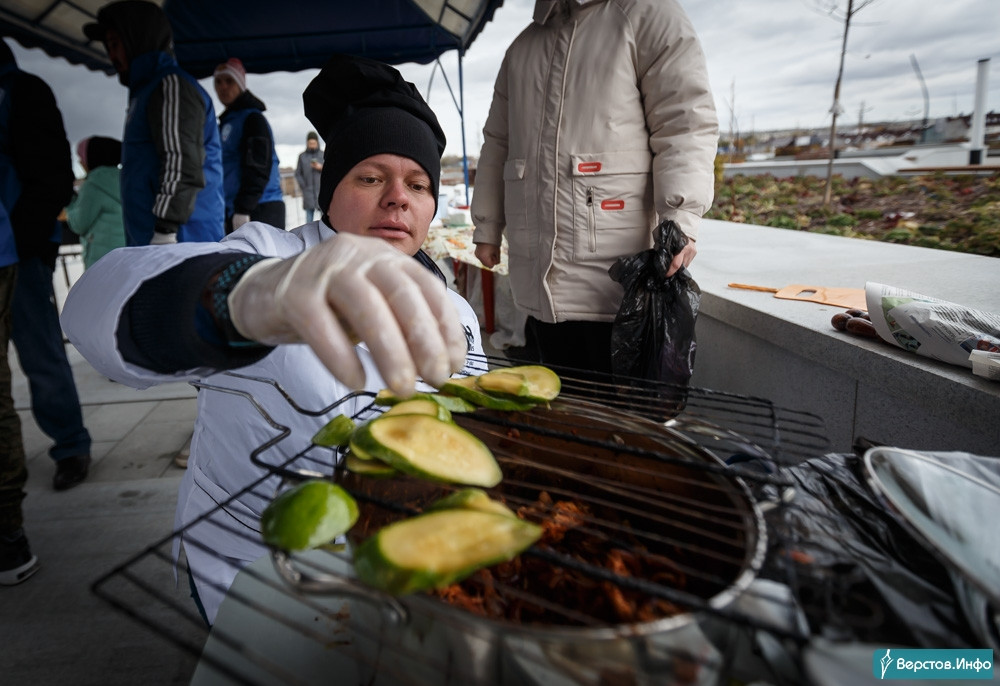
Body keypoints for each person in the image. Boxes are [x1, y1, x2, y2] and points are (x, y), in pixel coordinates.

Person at [62, 54, 481, 623]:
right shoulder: (267, 256)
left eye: (418, 184)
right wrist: (238, 298)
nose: (397, 198)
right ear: (329, 188)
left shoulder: (452, 307)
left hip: (400, 583)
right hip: (250, 573)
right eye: (370, 176)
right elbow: (92, 309)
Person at [471, 0, 718, 377]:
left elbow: (685, 123)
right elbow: (497, 143)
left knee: (624, 417)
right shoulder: (523, 46)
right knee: (565, 405)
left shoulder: (647, 14)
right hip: (537, 276)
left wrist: (680, 216)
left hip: (617, 275)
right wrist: (488, 225)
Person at [0, 39, 93, 497]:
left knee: (39, 353)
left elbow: (52, 175)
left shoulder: (22, 91)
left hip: (15, 251)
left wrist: (27, 242)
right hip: (19, 243)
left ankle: (71, 445)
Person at [83, 0, 224, 246]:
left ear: (137, 39)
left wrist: (165, 230)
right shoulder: (145, 92)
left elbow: (181, 160)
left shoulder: (170, 86)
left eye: (116, 44)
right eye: (108, 46)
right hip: (153, 241)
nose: (112, 55)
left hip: (181, 241)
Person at [213, 58, 286, 233]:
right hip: (235, 207)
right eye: (218, 82)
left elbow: (259, 165)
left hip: (260, 206)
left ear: (240, 84)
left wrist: (244, 207)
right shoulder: (225, 122)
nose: (223, 87)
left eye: (229, 81)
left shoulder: (253, 119)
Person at [65, 136, 126, 269]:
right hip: (128, 256)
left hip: (102, 260)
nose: (80, 162)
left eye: (81, 157)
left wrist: (70, 204)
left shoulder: (94, 184)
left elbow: (79, 224)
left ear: (92, 156)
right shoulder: (125, 178)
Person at [294, 131, 323, 223]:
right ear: (307, 143)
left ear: (317, 143)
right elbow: (298, 173)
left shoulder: (323, 155)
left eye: (314, 143)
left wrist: (320, 167)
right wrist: (304, 186)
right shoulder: (302, 156)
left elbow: (330, 171)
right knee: (309, 220)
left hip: (321, 192)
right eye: (310, 143)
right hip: (308, 192)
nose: (312, 145)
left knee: (325, 221)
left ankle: (326, 237)